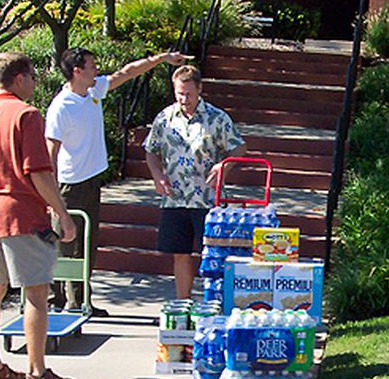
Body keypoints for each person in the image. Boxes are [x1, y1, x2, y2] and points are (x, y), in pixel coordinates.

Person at [0, 52, 80, 379]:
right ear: (18, 79)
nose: (34, 81)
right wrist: (61, 212)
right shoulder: (27, 116)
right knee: (36, 294)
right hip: (23, 216)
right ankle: (38, 372)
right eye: (31, 76)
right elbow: (38, 172)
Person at [45, 47, 192, 315]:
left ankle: (81, 300)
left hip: (91, 180)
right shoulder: (61, 107)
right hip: (68, 185)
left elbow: (126, 73)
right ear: (77, 71)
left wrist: (160, 59)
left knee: (88, 242)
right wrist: (52, 198)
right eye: (91, 66)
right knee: (66, 243)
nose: (97, 70)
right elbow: (50, 154)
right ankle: (58, 301)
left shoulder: (92, 92)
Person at [144, 64, 247, 299]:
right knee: (179, 253)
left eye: (189, 94)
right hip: (175, 198)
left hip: (206, 197)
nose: (184, 99)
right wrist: (157, 174)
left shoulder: (216, 117)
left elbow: (239, 146)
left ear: (199, 89)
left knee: (210, 252)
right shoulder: (165, 118)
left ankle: (211, 303)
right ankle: (183, 303)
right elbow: (151, 150)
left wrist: (224, 165)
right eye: (180, 93)